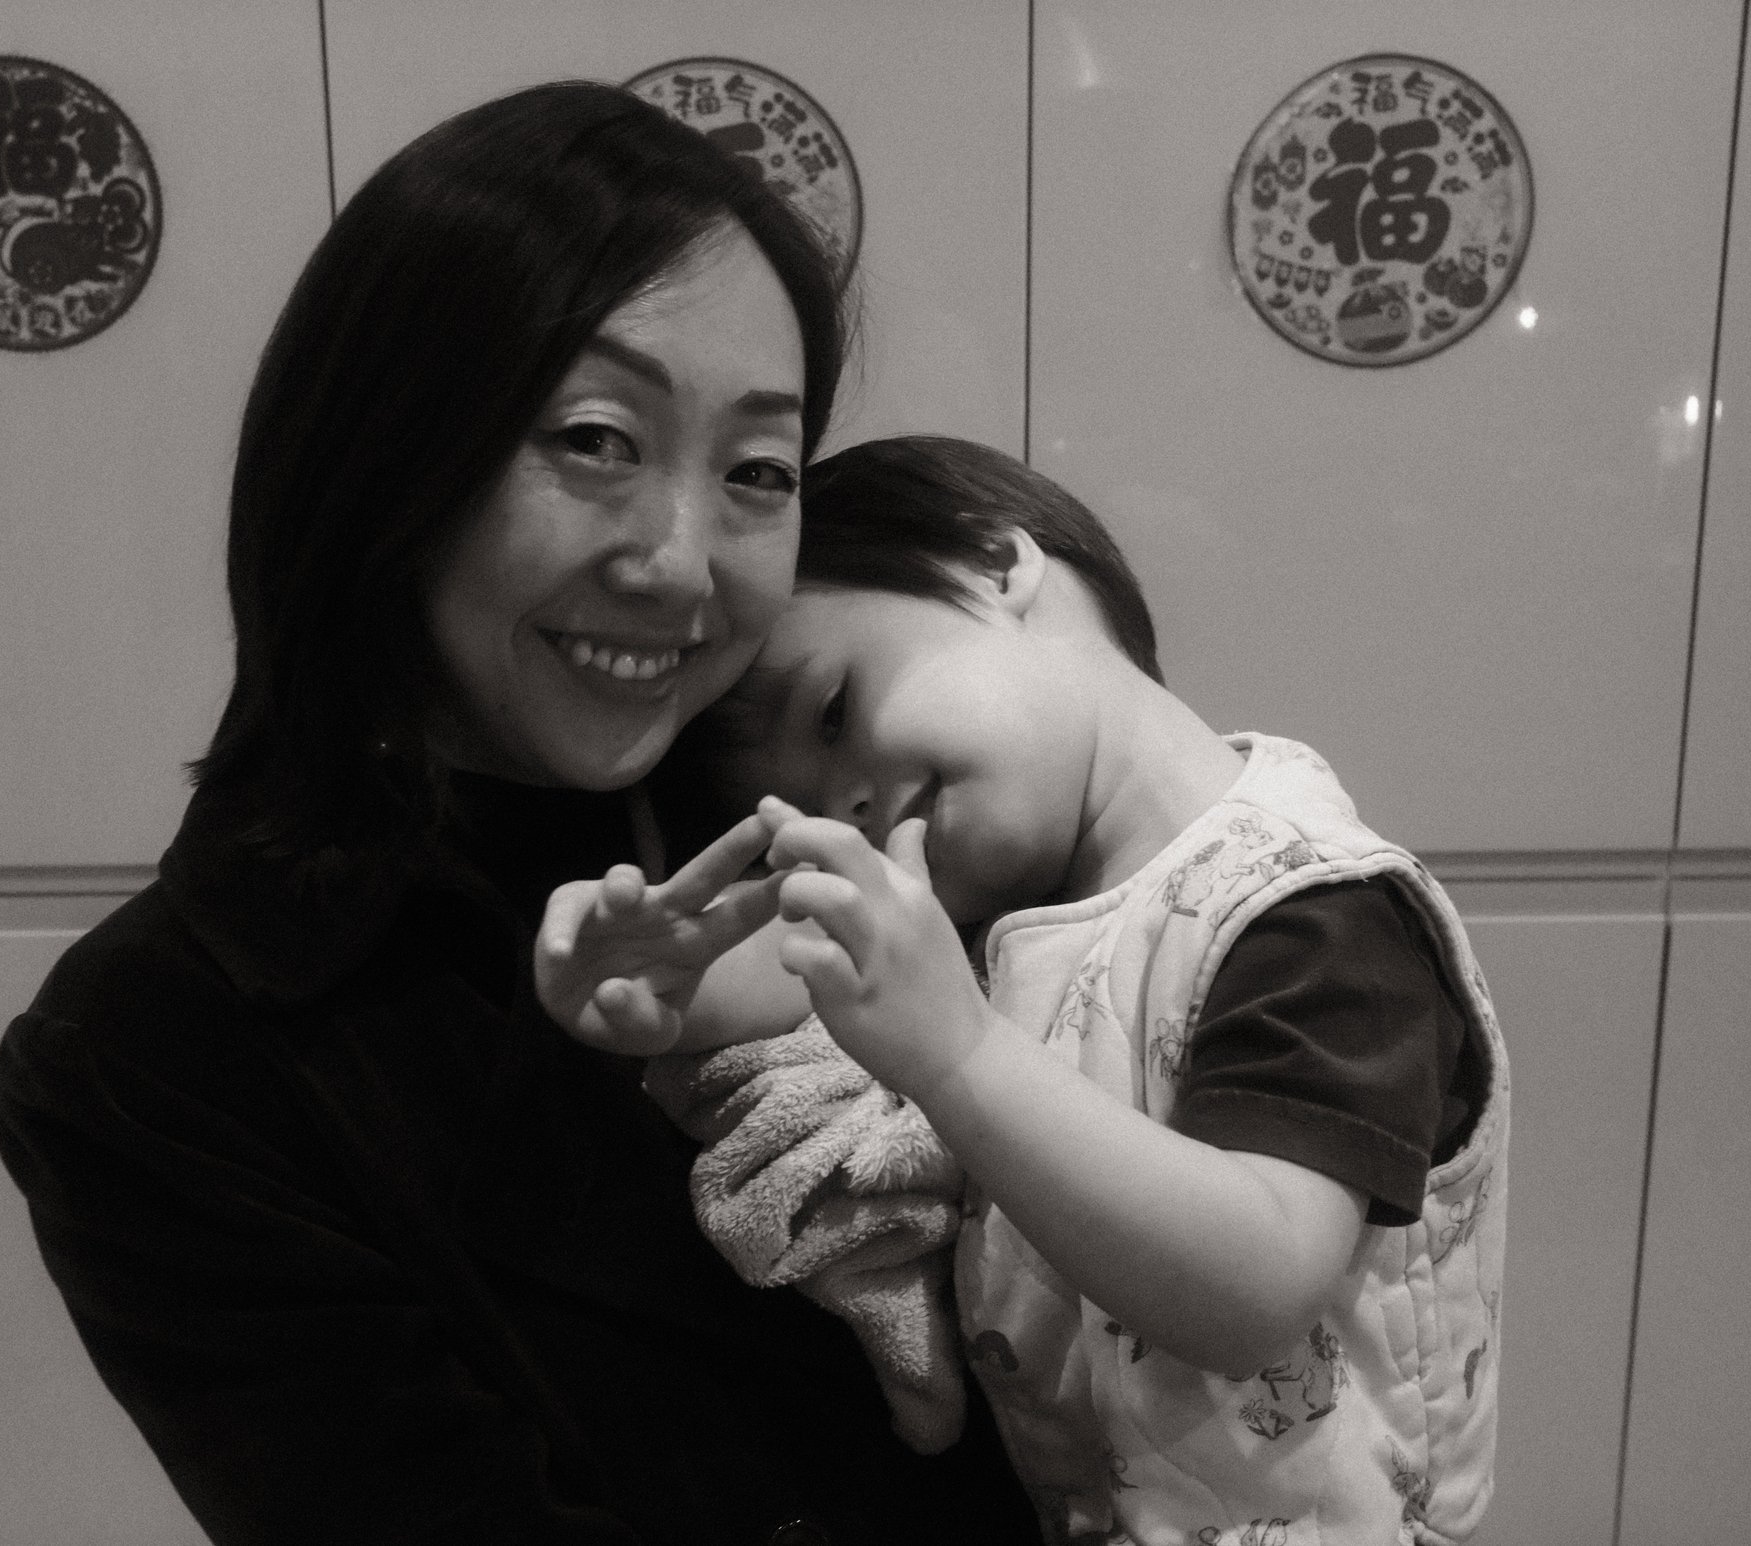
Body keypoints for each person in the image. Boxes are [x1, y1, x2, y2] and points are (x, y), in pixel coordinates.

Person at [0, 86, 1039, 1546]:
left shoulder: (846, 807)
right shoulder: (164, 1048)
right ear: (389, 456)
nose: (680, 564)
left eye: (755, 473)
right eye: (596, 438)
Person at [539, 436, 1510, 1545]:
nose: (850, 805)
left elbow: (1257, 1283)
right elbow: (809, 973)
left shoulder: (1307, 906)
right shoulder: (1016, 907)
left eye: (832, 713)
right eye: (805, 810)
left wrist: (955, 1056)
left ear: (993, 565)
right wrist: (668, 982)